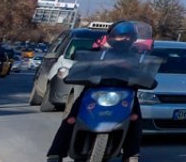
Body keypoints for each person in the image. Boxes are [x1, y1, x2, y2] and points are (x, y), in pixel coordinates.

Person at [46, 21, 147, 162]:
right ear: (112, 36)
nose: (126, 39)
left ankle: (132, 154)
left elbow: (144, 73)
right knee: (71, 118)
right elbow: (81, 65)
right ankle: (55, 153)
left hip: (125, 94)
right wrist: (76, 73)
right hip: (93, 92)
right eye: (122, 36)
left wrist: (146, 78)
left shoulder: (137, 56)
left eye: (130, 36)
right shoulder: (98, 52)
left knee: (135, 120)